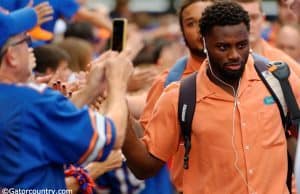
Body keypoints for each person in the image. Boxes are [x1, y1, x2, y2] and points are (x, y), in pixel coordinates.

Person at [122, 2, 300, 194]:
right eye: (223, 47)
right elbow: (145, 166)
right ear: (205, 43)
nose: (234, 55)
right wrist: (119, 110)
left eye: (241, 45)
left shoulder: (279, 79)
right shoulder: (179, 97)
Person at [0, 7, 133, 190]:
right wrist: (118, 83)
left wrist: (90, 90)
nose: (30, 48)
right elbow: (113, 136)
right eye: (25, 40)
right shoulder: (30, 101)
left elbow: (45, 123)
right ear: (11, 57)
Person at [138, 0, 212, 192]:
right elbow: (149, 148)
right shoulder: (168, 82)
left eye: (205, 20)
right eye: (190, 23)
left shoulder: (253, 73)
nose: (199, 29)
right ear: (182, 32)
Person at [236, 0, 300, 76]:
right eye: (242, 18)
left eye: (254, 17)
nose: (249, 24)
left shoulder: (281, 60)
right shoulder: (223, 59)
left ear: (263, 19)